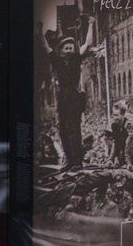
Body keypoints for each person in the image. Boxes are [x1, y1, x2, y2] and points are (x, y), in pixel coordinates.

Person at [37, 16, 95, 170]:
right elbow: (46, 47)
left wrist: (91, 24)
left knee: (73, 129)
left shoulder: (77, 58)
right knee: (62, 129)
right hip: (63, 98)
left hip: (74, 97)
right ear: (62, 50)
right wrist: (40, 30)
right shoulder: (57, 61)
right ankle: (69, 160)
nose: (69, 51)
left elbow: (88, 44)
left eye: (71, 48)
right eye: (66, 48)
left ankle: (77, 162)